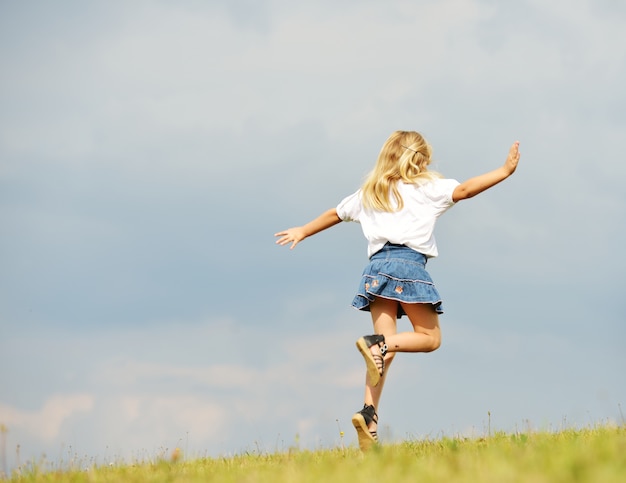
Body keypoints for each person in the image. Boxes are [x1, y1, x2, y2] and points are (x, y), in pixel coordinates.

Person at [275, 130, 520, 451]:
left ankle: (369, 415)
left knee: (380, 356)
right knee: (429, 339)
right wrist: (503, 172)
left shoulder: (371, 191)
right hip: (407, 266)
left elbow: (335, 214)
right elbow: (464, 190)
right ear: (419, 159)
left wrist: (303, 230)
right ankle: (377, 345)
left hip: (375, 270)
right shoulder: (427, 188)